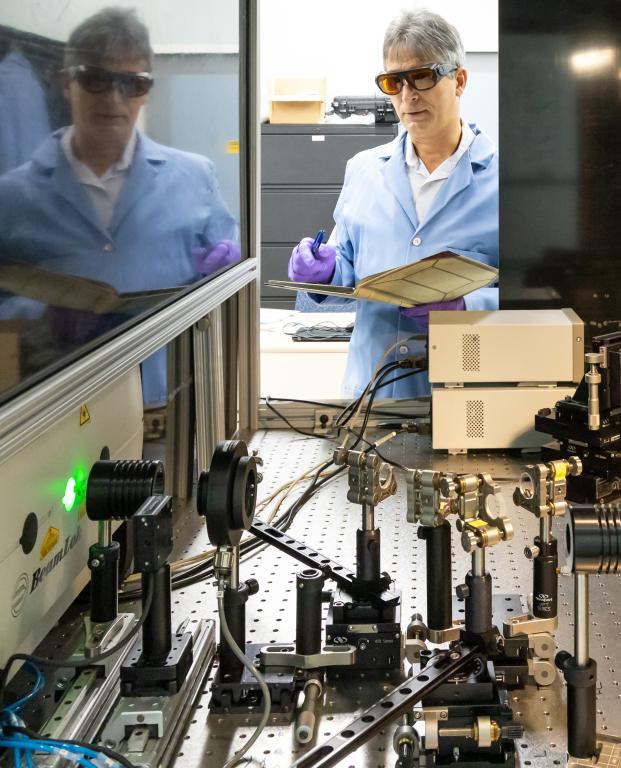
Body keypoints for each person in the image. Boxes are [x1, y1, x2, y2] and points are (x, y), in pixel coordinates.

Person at [0, 7, 240, 408]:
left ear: (147, 91)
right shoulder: (14, 197)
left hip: (168, 404)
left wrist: (227, 274)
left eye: (132, 83)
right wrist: (40, 311)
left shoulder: (195, 177)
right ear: (65, 83)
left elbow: (229, 292)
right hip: (52, 407)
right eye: (96, 80)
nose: (113, 98)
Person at [288, 9, 498, 399]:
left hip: (465, 397)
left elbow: (539, 304)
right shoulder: (364, 170)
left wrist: (469, 304)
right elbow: (347, 265)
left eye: (422, 76)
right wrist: (325, 270)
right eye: (394, 81)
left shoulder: (505, 182)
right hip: (372, 394)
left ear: (460, 81)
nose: (407, 96)